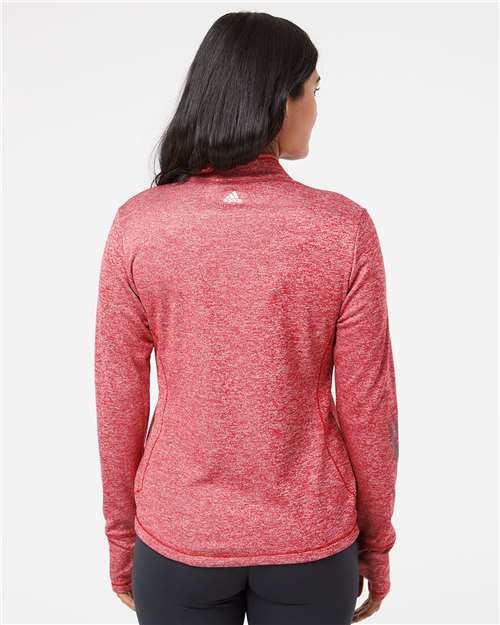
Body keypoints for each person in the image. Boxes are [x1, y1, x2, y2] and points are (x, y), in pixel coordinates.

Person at [94, 10, 399, 625]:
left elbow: (117, 397)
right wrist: (377, 546)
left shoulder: (139, 226)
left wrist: (123, 542)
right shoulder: (342, 228)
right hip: (311, 544)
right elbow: (369, 406)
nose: (316, 108)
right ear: (280, 100)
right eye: (313, 90)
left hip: (178, 540)